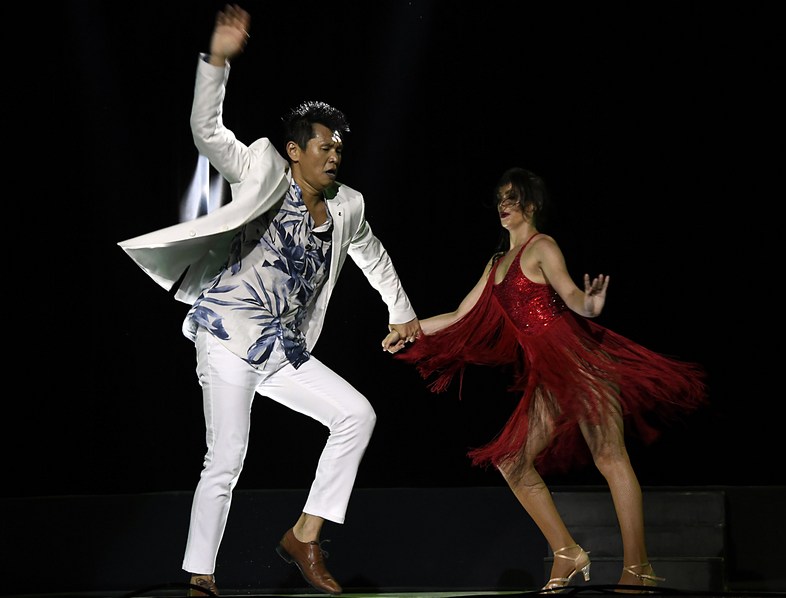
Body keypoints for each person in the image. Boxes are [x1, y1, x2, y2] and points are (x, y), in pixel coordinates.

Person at [118, 5, 420, 596]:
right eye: (324, 147)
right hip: (228, 332)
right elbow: (207, 134)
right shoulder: (261, 167)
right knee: (226, 458)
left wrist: (400, 309)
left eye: (340, 147)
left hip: (281, 346)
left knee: (356, 415)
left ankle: (304, 535)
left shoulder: (347, 206)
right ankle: (200, 577)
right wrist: (217, 62)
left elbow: (373, 254)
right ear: (294, 150)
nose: (335, 154)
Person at [383, 167, 708, 593]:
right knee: (512, 463)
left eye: (513, 198)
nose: (504, 204)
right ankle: (567, 552)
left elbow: (574, 299)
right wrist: (410, 329)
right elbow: (461, 314)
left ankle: (637, 568)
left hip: (582, 364)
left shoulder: (542, 248)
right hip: (550, 377)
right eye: (500, 197)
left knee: (609, 457)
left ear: (531, 206)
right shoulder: (497, 262)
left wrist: (591, 305)